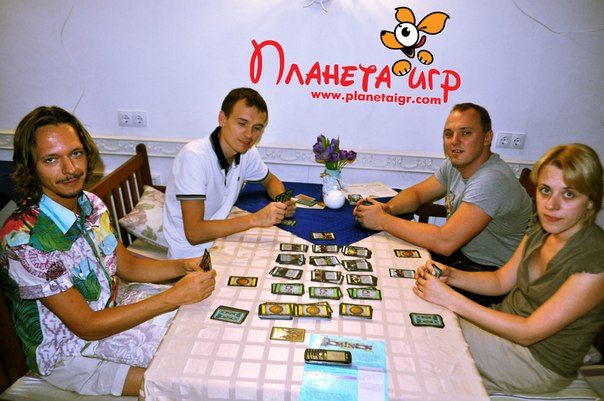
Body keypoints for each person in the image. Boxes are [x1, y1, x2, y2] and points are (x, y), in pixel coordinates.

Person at [0, 106, 216, 397]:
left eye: (76, 153)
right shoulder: (24, 239)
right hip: (70, 355)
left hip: (113, 311)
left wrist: (182, 266)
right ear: (30, 166)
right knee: (189, 381)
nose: (70, 169)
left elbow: (128, 267)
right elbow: (86, 326)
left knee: (206, 329)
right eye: (51, 159)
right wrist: (173, 296)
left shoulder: (90, 204)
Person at [413, 143, 604, 395]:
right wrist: (452, 276)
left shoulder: (595, 260)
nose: (551, 205)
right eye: (545, 190)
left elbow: (528, 332)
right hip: (504, 329)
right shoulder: (542, 226)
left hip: (538, 363)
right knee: (421, 318)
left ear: (590, 201)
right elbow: (500, 280)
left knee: (426, 344)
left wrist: (450, 299)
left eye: (569, 195)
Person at [354, 103, 533, 305]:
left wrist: (383, 221)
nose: (455, 141)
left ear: (487, 138)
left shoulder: (491, 179)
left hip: (487, 278)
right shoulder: (455, 165)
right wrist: (388, 208)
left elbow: (445, 242)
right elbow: (417, 194)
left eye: (466, 133)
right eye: (449, 134)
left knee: (397, 296)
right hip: (460, 259)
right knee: (384, 270)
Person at [163, 87, 296, 259]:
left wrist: (282, 202)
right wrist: (255, 219)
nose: (249, 135)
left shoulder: (247, 152)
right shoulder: (194, 157)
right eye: (242, 123)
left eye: (257, 128)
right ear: (222, 119)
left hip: (222, 240)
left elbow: (270, 180)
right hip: (190, 256)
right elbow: (194, 233)